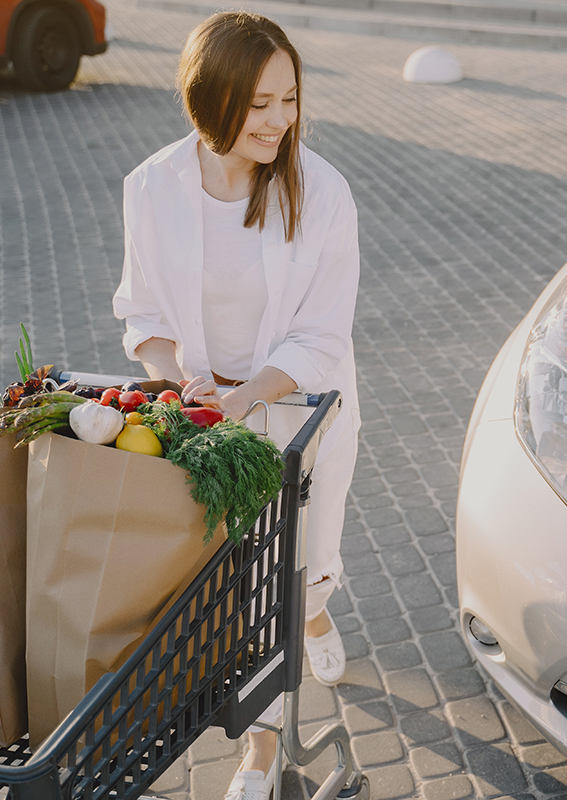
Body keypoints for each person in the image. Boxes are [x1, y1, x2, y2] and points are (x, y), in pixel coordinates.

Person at [111, 12, 360, 800]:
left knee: (299, 567)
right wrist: (178, 371)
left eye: (288, 98)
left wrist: (250, 393)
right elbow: (142, 314)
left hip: (295, 406)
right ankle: (261, 749)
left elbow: (323, 335)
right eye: (259, 104)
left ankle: (314, 617)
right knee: (239, 583)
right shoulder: (152, 187)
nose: (280, 120)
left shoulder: (321, 191)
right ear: (210, 100)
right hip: (207, 421)